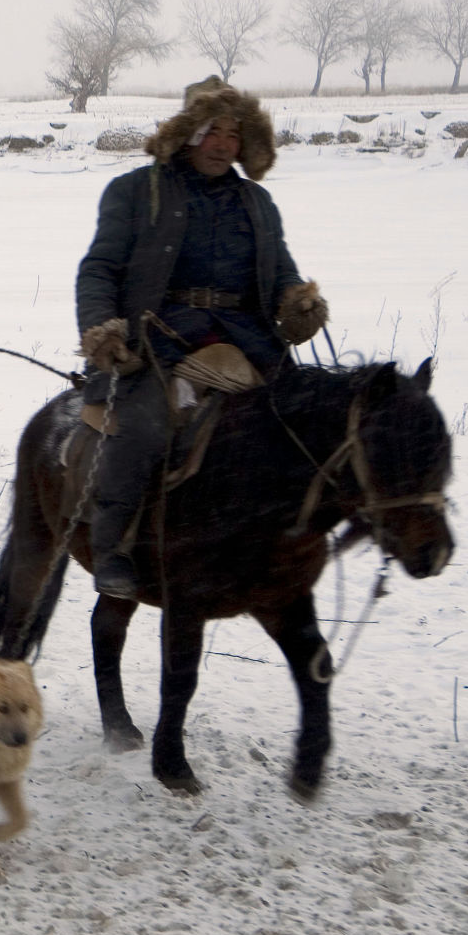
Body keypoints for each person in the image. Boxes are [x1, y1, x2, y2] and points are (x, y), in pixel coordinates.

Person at [74, 77, 330, 598]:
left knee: (307, 423)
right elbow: (99, 269)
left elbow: (281, 271)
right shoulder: (133, 192)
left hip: (248, 339)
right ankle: (114, 550)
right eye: (213, 131)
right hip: (159, 342)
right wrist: (103, 327)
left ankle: (290, 539)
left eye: (234, 135)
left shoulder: (257, 203)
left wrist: (297, 303)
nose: (222, 145)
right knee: (143, 427)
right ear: (189, 133)